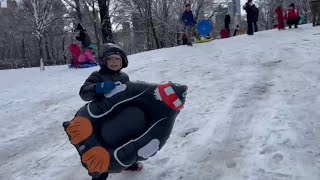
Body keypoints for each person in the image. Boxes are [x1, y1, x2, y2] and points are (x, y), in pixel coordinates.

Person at [79, 43, 143, 180]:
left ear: (123, 61)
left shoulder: (124, 77)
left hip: (120, 118)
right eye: (110, 59)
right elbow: (83, 93)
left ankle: (127, 163)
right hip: (101, 120)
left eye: (117, 59)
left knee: (125, 142)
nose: (114, 62)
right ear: (104, 61)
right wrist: (97, 88)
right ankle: (100, 174)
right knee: (103, 148)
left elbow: (129, 94)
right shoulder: (97, 76)